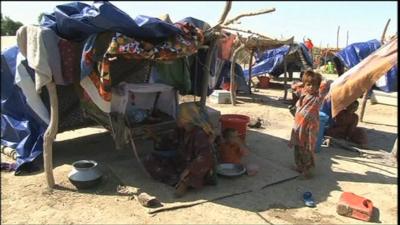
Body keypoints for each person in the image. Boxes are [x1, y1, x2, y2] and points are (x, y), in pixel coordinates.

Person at [144, 102, 216, 198]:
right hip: (181, 162)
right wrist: (153, 136)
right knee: (150, 159)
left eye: (179, 116)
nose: (176, 118)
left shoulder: (199, 133)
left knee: (193, 173)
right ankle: (180, 181)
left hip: (197, 167)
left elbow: (205, 156)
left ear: (186, 118)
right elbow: (168, 142)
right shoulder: (180, 130)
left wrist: (188, 170)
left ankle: (185, 182)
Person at [288, 70, 329, 179]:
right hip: (299, 127)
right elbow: (293, 86)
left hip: (308, 128)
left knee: (306, 150)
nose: (311, 87)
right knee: (298, 148)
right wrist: (303, 82)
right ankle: (299, 166)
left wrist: (318, 79)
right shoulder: (303, 92)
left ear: (318, 86)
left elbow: (326, 85)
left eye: (314, 85)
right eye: (309, 84)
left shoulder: (318, 98)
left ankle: (308, 171)